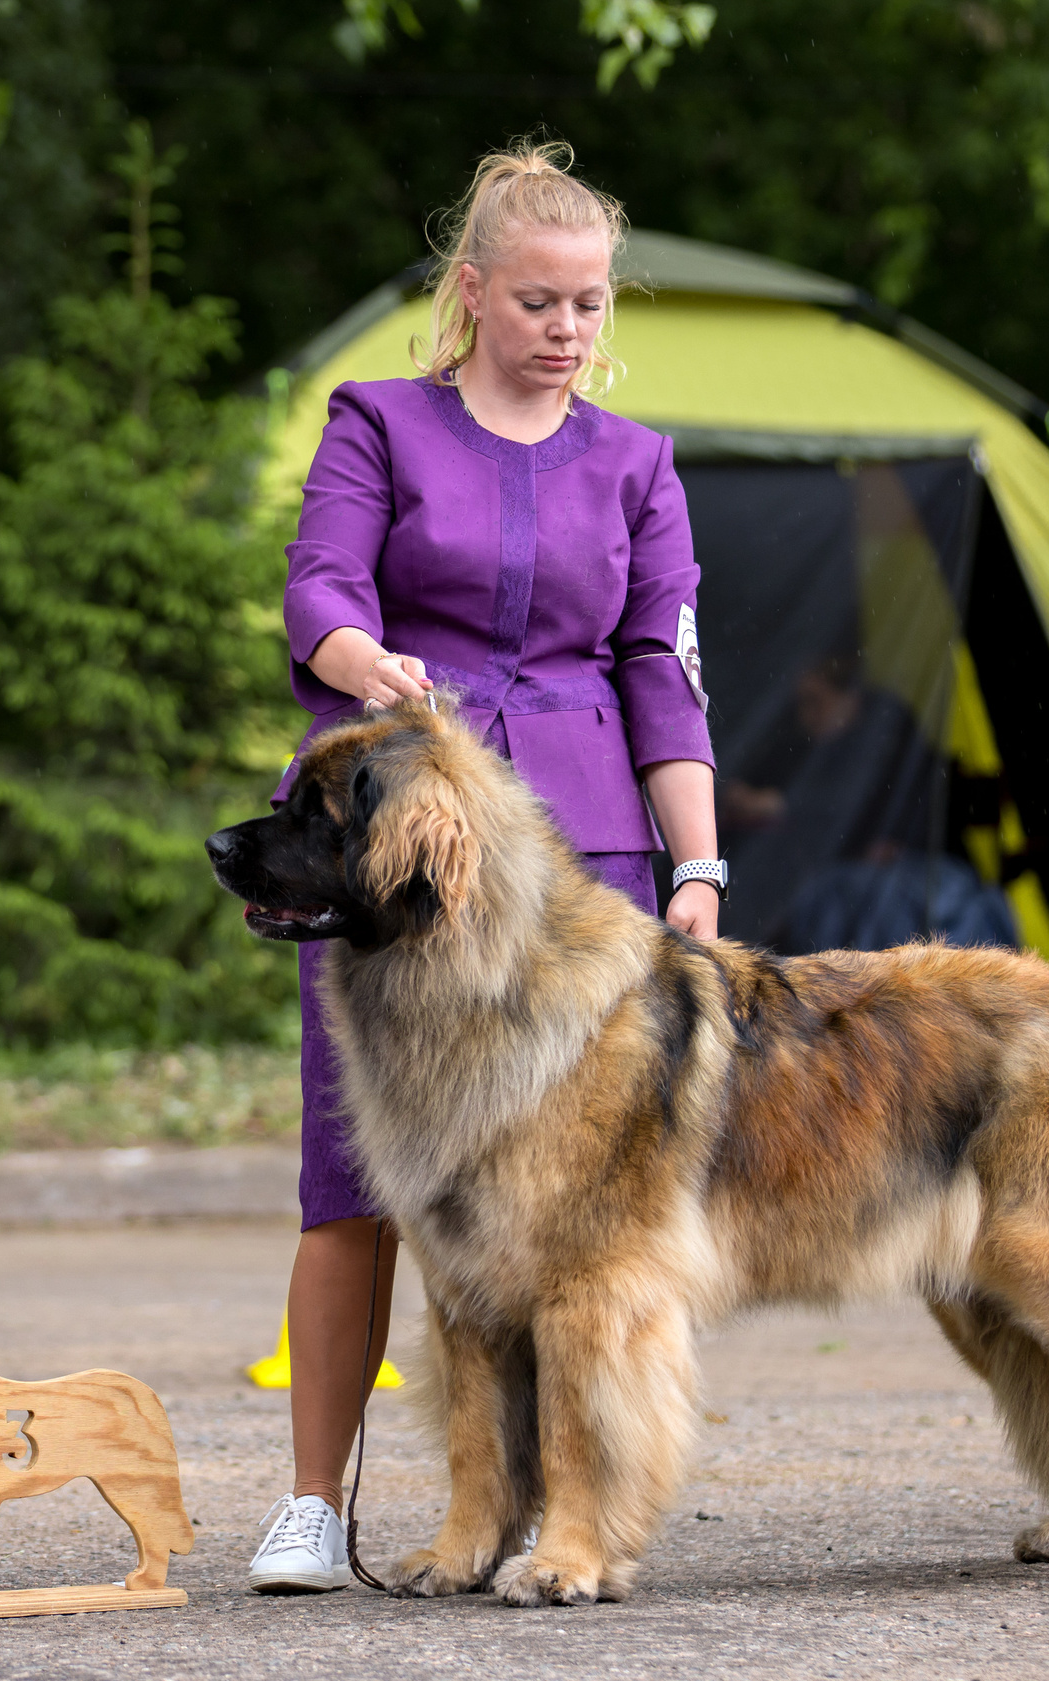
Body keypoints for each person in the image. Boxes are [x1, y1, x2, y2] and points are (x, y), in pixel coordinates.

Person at [243, 141, 722, 1592]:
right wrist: (359, 661)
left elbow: (664, 673)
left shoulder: (638, 464)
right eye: (538, 301)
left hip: (584, 866)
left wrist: (700, 867)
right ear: (471, 291)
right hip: (397, 853)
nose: (568, 329)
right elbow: (319, 586)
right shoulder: (378, 422)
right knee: (353, 1185)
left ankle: (568, 1513)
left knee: (578, 1220)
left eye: (590, 304)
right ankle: (315, 1505)